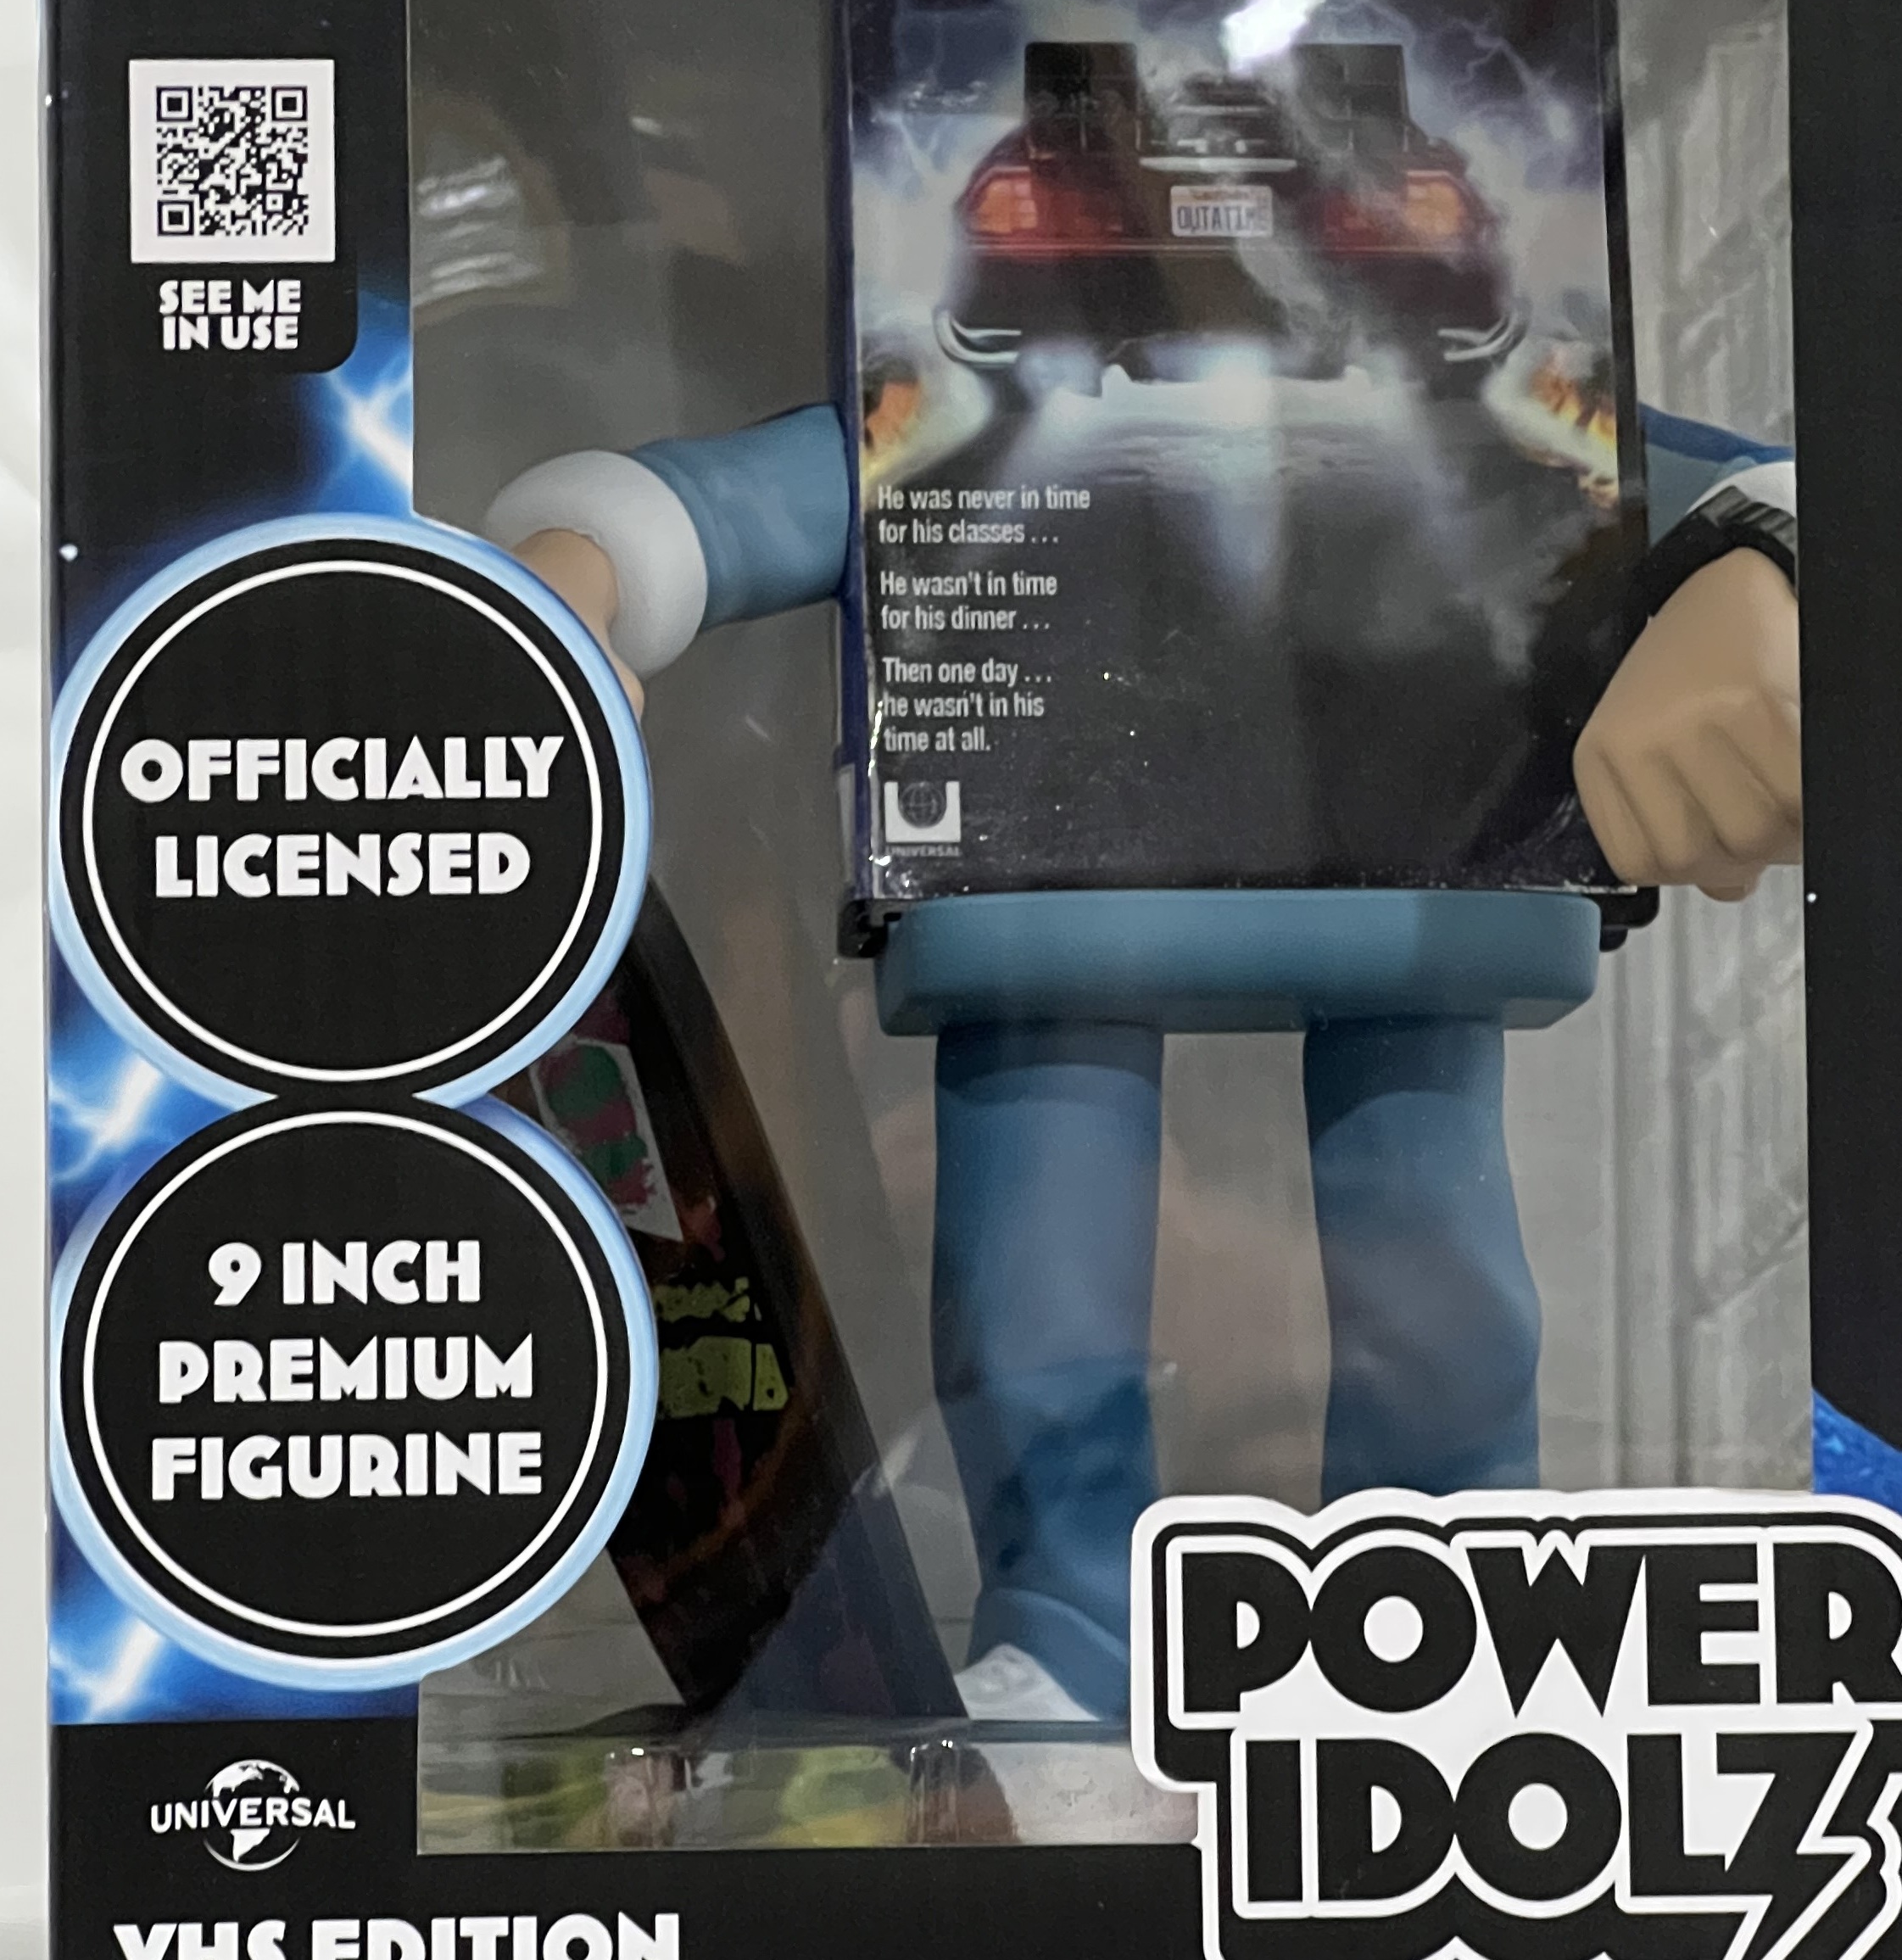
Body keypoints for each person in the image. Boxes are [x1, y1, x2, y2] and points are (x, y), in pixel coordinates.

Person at [488, 402, 1798, 1724]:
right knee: (1042, 1266)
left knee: (1430, 1265)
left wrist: (1752, 569)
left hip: (1418, 845)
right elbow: (746, 502)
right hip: (1059, 857)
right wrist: (567, 582)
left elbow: (1690, 472)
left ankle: (1441, 1606)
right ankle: (1081, 1642)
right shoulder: (985, 388)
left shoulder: (1462, 383)